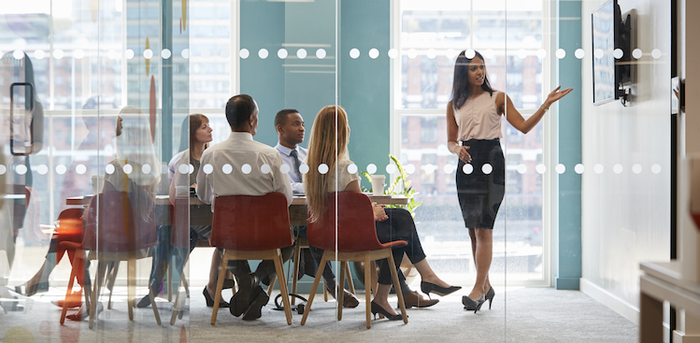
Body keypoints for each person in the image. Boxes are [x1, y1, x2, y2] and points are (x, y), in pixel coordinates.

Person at [305, 105, 460, 321]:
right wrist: (372, 210)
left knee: (400, 221)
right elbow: (355, 211)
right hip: (352, 237)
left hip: (327, 237)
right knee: (401, 225)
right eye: (346, 125)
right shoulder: (346, 166)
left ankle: (406, 289)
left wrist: (370, 209)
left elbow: (342, 207)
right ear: (343, 132)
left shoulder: (312, 169)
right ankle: (419, 281)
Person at [446, 49, 573, 312]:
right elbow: (450, 139)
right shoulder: (453, 104)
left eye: (482, 66)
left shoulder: (498, 98)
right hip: (466, 163)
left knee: (484, 228)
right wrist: (455, 149)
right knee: (472, 230)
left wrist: (545, 104)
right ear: (462, 72)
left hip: (492, 161)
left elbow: (524, 126)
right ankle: (486, 285)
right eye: (473, 68)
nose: (480, 72)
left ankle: (478, 289)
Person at [196, 94, 294, 321]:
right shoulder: (269, 155)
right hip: (268, 235)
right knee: (289, 243)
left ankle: (248, 283)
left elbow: (203, 195)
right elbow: (285, 199)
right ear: (251, 120)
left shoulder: (211, 154)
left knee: (223, 241)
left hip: (228, 236)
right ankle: (256, 281)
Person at [135, 114, 232, 309]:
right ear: (192, 133)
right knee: (176, 232)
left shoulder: (214, 157)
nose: (210, 130)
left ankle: (162, 286)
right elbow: (173, 197)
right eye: (204, 127)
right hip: (188, 218)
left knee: (223, 237)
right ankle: (215, 286)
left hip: (211, 215)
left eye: (209, 126)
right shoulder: (181, 160)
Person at [273, 109, 360, 309]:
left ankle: (332, 284)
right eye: (296, 124)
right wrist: (311, 186)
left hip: (315, 214)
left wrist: (316, 186)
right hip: (292, 217)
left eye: (303, 123)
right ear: (280, 128)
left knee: (315, 223)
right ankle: (332, 285)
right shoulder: (273, 157)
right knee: (310, 226)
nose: (302, 128)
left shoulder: (310, 157)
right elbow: (281, 187)